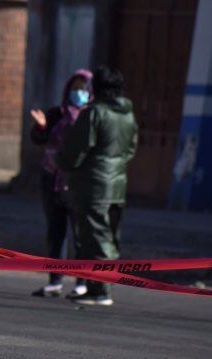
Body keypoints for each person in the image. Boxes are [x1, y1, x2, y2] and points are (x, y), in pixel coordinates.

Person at [59, 66, 138, 306]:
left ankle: (101, 289)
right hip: (118, 184)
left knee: (97, 238)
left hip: (94, 185)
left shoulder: (94, 113)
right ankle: (98, 286)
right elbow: (131, 149)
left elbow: (77, 150)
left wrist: (62, 163)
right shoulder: (128, 114)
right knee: (110, 236)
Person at [29, 69, 92, 297]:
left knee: (80, 235)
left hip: (78, 183)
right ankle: (55, 280)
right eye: (75, 87)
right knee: (56, 233)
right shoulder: (57, 113)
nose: (79, 92)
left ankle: (82, 282)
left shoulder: (91, 115)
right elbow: (38, 139)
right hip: (52, 180)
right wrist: (42, 127)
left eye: (84, 88)